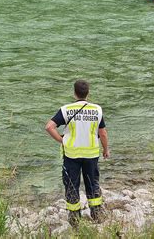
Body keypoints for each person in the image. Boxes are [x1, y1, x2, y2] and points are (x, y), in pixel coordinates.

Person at [45, 80, 109, 227]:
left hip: (71, 155)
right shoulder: (97, 109)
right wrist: (106, 150)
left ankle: (74, 220)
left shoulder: (66, 109)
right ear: (88, 93)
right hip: (91, 155)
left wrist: (61, 140)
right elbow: (103, 133)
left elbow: (49, 127)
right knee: (92, 184)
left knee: (72, 185)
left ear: (74, 93)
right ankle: (96, 214)